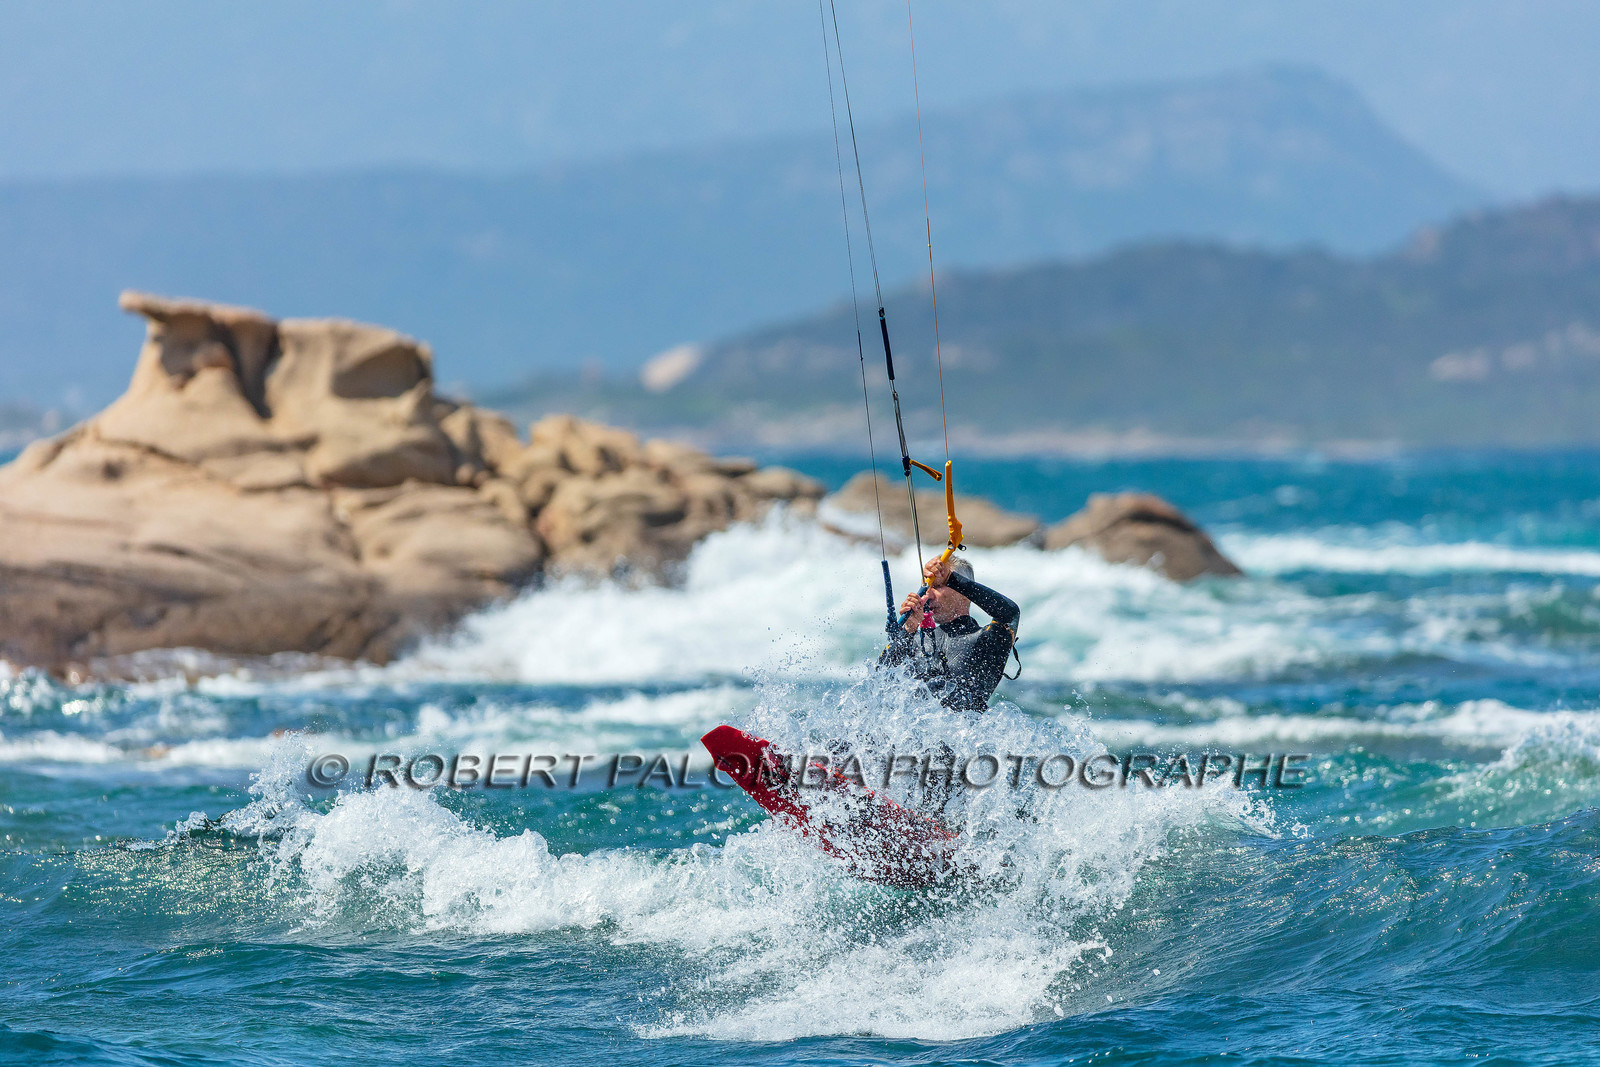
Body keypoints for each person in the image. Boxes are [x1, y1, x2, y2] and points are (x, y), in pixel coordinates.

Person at [878, 554, 1020, 713]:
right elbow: (881, 679)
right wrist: (908, 630)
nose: (928, 595)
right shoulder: (915, 640)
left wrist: (951, 578)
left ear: (964, 591)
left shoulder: (986, 641)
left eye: (938, 586)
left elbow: (1010, 613)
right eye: (926, 587)